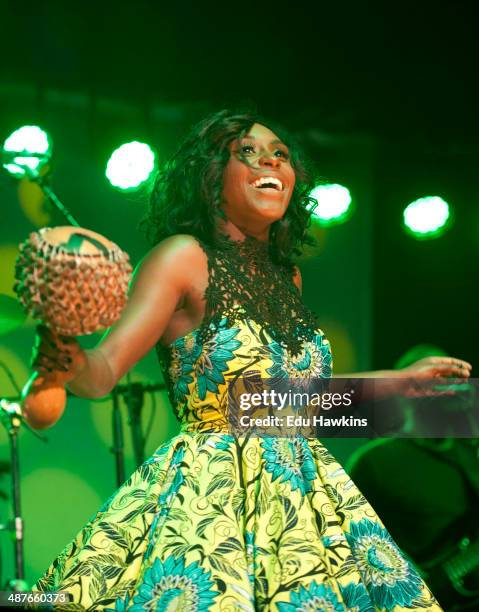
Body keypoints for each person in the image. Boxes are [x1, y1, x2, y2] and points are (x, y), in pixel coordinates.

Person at [28, 109, 472, 611]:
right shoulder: (182, 256)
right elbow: (104, 370)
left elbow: (289, 403)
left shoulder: (289, 278)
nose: (271, 162)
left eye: (280, 155)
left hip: (305, 495)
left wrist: (401, 385)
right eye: (249, 152)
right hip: (211, 497)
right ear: (211, 176)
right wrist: (70, 364)